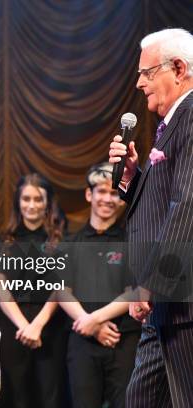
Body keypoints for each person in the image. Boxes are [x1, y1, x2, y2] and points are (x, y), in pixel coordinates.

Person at [108, 28, 193, 407]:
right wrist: (131, 178)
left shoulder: (191, 116)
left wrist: (153, 283)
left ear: (178, 68)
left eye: (147, 72)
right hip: (165, 307)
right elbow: (164, 202)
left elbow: (186, 206)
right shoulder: (171, 124)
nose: (139, 83)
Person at [57, 163, 140, 408]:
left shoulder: (132, 239)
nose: (107, 198)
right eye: (101, 192)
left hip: (123, 338)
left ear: (122, 199)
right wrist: (89, 325)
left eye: (114, 192)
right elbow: (62, 290)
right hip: (82, 340)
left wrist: (96, 320)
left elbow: (134, 291)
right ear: (88, 195)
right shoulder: (69, 242)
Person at [0, 173, 67, 408]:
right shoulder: (4, 240)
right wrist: (24, 326)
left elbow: (61, 287)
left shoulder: (62, 239)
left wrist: (37, 326)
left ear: (47, 203)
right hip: (14, 328)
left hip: (50, 328)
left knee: (49, 397)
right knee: (17, 397)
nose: (31, 205)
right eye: (26, 199)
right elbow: (1, 287)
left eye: (38, 199)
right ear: (18, 202)